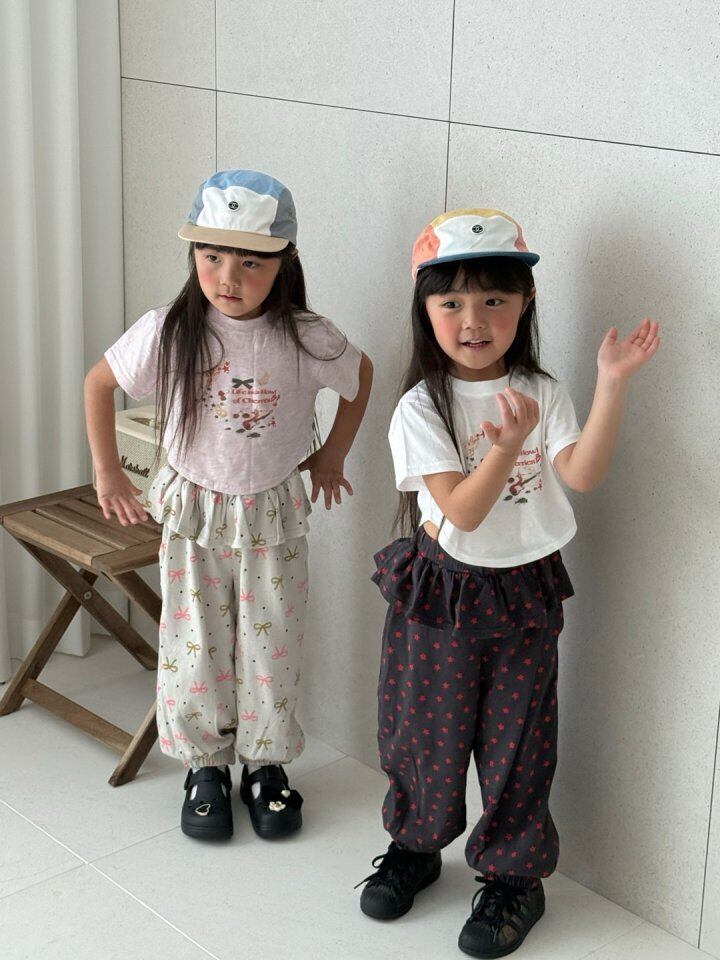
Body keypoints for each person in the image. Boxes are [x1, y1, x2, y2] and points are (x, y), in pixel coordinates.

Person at [357, 208, 659, 957]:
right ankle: (417, 845)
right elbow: (460, 511)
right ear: (424, 309)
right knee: (424, 729)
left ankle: (515, 879)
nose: (474, 319)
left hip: (523, 589)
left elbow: (581, 474)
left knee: (518, 740)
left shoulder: (541, 390)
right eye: (451, 301)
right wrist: (505, 447)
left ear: (525, 304)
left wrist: (610, 384)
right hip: (443, 589)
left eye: (494, 298)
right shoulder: (419, 406)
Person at [85, 169, 373, 842]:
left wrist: (333, 455)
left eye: (250, 262)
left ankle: (266, 765)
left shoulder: (305, 335)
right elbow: (100, 383)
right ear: (193, 254)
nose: (228, 277)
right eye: (211, 256)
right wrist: (107, 472)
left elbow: (360, 378)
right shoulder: (169, 330)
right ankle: (205, 765)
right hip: (195, 512)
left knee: (272, 645)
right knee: (194, 644)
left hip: (274, 513)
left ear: (283, 263)